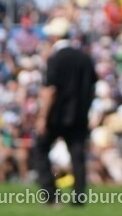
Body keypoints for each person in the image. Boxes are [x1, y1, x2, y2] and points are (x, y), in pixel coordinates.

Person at [31, 17, 97, 205]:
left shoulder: (55, 58)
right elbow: (92, 87)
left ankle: (50, 194)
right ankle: (79, 197)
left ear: (54, 36)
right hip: (78, 116)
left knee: (40, 149)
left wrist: (43, 117)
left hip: (56, 115)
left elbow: (50, 90)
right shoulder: (84, 58)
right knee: (77, 156)